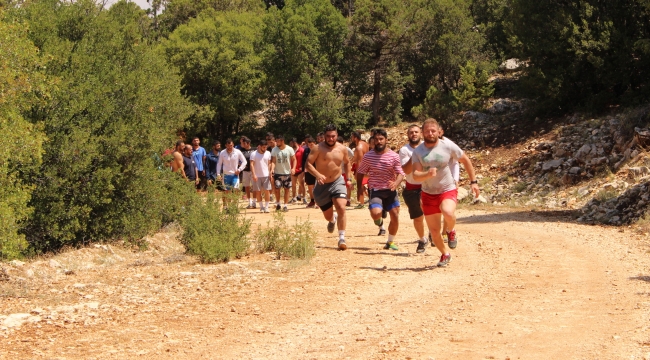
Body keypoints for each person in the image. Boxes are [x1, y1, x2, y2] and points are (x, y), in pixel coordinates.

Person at [412, 118, 480, 267]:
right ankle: (445, 254)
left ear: (438, 132)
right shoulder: (418, 152)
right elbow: (416, 175)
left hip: (447, 188)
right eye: (427, 131)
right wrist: (427, 175)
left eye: (433, 130)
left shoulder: (447, 146)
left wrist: (473, 182)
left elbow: (466, 160)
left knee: (448, 212)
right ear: (423, 133)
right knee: (435, 232)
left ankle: (450, 229)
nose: (430, 133)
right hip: (428, 193)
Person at [356, 129, 405, 250]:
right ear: (373, 141)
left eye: (381, 139)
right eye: (376, 139)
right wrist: (359, 188)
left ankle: (390, 241)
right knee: (375, 214)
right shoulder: (368, 156)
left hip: (390, 190)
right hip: (376, 190)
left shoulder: (394, 156)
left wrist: (396, 183)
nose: (378, 142)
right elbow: (360, 172)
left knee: (395, 216)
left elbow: (400, 173)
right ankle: (379, 221)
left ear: (386, 140)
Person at [305, 124, 351, 250]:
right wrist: (318, 175)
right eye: (328, 136)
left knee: (341, 207)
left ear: (337, 135)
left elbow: (347, 163)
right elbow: (308, 164)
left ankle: (342, 238)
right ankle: (332, 220)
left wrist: (349, 178)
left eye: (333, 136)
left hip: (337, 181)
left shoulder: (342, 149)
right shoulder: (317, 148)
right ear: (324, 136)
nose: (331, 139)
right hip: (321, 185)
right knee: (327, 215)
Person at [398, 124, 428, 253]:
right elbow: (406, 170)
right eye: (411, 132)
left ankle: (434, 231)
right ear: (408, 135)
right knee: (418, 217)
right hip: (411, 188)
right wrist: (415, 154)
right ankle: (422, 239)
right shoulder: (404, 150)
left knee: (429, 211)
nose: (414, 134)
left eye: (416, 132)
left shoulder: (428, 147)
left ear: (420, 133)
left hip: (427, 186)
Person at [216, 139, 247, 208]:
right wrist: (218, 174)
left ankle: (234, 206)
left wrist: (239, 169)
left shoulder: (237, 152)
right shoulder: (222, 153)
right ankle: (226, 206)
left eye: (231, 145)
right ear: (226, 145)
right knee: (226, 191)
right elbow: (219, 164)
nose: (230, 147)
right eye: (228, 146)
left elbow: (244, 162)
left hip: (235, 175)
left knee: (236, 190)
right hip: (226, 175)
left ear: (233, 145)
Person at [271, 135, 296, 212]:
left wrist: (293, 168)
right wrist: (272, 169)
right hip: (278, 173)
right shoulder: (274, 150)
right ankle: (278, 204)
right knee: (277, 189)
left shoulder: (289, 149)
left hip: (287, 173)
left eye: (278, 141)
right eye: (276, 141)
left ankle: (285, 205)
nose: (276, 142)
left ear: (282, 141)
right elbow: (273, 161)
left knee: (287, 189)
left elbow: (294, 159)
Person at [250, 140, 272, 213]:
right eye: (263, 147)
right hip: (257, 175)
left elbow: (269, 163)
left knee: (267, 191)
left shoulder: (268, 153)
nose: (265, 148)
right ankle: (261, 207)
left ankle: (266, 207)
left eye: (266, 147)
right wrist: (254, 174)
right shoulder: (254, 154)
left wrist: (270, 173)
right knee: (258, 191)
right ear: (259, 146)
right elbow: (252, 164)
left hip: (266, 175)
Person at [350, 131, 369, 209]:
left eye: (352, 137)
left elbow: (360, 161)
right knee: (364, 185)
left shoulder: (359, 147)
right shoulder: (365, 144)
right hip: (368, 168)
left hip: (363, 169)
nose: (351, 138)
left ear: (355, 137)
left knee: (360, 186)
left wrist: (358, 173)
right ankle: (369, 198)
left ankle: (361, 203)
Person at [337, 136, 355, 207]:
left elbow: (353, 156)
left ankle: (348, 200)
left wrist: (350, 162)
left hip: (345, 170)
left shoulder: (346, 149)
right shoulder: (334, 149)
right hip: (337, 171)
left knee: (348, 185)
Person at [239, 137, 255, 208]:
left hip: (253, 171)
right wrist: (241, 165)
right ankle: (249, 202)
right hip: (245, 171)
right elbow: (237, 160)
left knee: (254, 186)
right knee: (247, 186)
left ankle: (254, 202)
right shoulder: (241, 151)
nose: (242, 144)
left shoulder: (254, 150)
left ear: (248, 143)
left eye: (243, 143)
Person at [302, 137, 318, 208]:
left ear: (315, 144)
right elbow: (303, 161)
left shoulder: (318, 150)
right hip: (308, 171)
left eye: (312, 144)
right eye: (309, 145)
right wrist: (303, 170)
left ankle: (318, 202)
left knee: (317, 186)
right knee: (310, 186)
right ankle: (312, 201)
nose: (310, 146)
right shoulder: (306, 150)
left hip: (317, 171)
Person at [289, 138, 306, 204]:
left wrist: (303, 168)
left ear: (294, 142)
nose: (290, 145)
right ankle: (294, 197)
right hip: (293, 169)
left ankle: (304, 198)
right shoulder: (291, 150)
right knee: (293, 184)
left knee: (302, 184)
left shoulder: (301, 150)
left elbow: (304, 159)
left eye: (291, 143)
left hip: (300, 169)